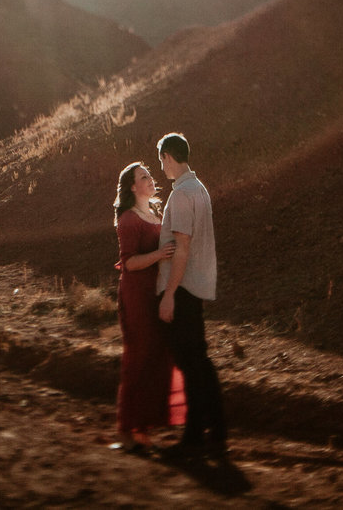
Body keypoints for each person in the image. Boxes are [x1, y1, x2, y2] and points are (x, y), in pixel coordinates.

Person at [154, 131, 227, 463]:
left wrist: (168, 294)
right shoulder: (200, 190)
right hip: (195, 287)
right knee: (199, 359)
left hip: (182, 288)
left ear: (169, 156)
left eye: (162, 161)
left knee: (189, 361)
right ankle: (215, 429)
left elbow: (181, 249)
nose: (162, 168)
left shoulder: (182, 194)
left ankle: (197, 434)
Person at [110, 161, 185, 452]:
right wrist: (159, 255)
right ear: (132, 187)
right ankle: (131, 429)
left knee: (159, 354)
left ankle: (147, 425)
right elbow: (128, 263)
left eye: (150, 175)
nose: (151, 179)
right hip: (137, 295)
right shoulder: (128, 220)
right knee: (139, 358)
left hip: (157, 292)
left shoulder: (154, 213)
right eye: (144, 177)